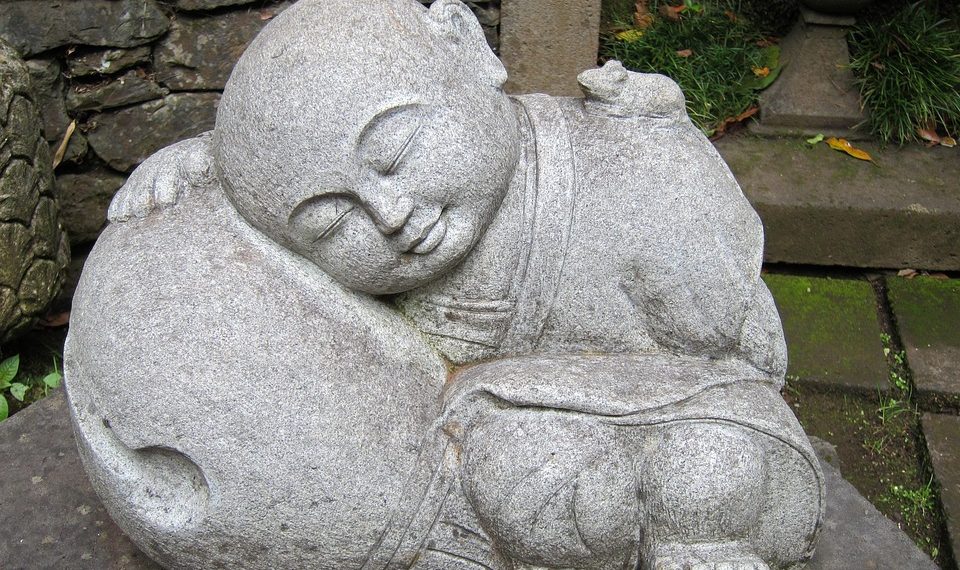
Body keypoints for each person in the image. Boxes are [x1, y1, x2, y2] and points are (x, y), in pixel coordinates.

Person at [103, 0, 823, 568]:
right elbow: (278, 179)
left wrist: (664, 157)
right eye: (330, 222)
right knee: (543, 485)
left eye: (395, 149)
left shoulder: (623, 160)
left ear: (464, 45)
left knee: (712, 470)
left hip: (688, 407)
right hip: (523, 436)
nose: (388, 215)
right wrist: (203, 163)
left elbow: (737, 344)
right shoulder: (364, 246)